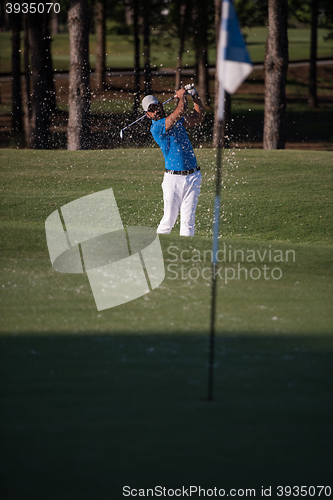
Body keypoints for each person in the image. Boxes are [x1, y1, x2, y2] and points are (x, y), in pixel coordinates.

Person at [142, 87, 205, 237]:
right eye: (151, 109)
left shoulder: (177, 121)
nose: (155, 110)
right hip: (173, 180)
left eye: (156, 106)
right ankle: (159, 252)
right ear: (148, 115)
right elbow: (181, 110)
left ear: (161, 105)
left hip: (193, 177)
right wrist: (182, 96)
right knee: (168, 221)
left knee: (188, 223)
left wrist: (195, 96)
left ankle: (184, 257)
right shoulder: (157, 128)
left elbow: (199, 117)